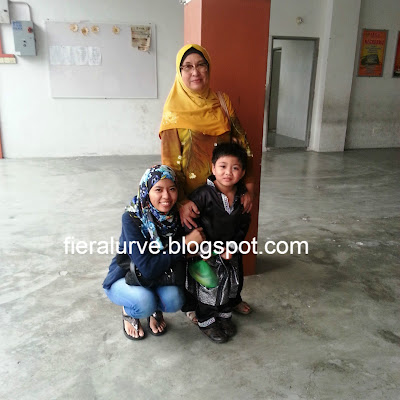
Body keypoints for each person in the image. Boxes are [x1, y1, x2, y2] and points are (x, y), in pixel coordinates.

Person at [160, 43, 254, 320]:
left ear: (209, 68)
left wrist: (248, 187)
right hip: (194, 200)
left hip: (226, 192)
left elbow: (242, 145)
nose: (195, 72)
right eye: (187, 67)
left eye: (201, 65)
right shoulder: (173, 111)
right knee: (199, 254)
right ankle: (195, 306)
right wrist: (181, 202)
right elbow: (169, 163)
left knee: (230, 248)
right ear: (179, 72)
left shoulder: (222, 102)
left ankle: (231, 297)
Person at [103, 165, 205, 340]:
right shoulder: (132, 218)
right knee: (144, 302)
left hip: (159, 275)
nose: (166, 196)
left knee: (174, 300)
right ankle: (129, 311)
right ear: (146, 190)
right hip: (126, 276)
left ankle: (154, 311)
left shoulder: (175, 215)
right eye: (158, 189)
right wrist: (184, 245)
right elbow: (147, 267)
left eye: (172, 189)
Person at [186, 142, 251, 343]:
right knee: (209, 286)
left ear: (242, 172)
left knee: (229, 284)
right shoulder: (202, 195)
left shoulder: (242, 197)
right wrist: (205, 249)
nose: (228, 172)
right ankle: (206, 321)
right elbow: (191, 225)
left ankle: (223, 316)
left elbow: (243, 223)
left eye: (235, 168)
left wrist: (233, 246)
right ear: (213, 168)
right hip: (206, 254)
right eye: (223, 166)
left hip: (230, 252)